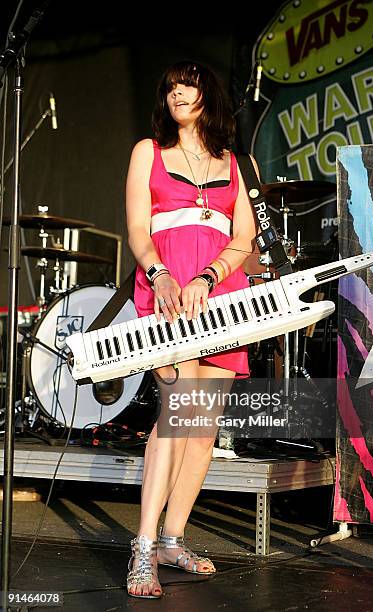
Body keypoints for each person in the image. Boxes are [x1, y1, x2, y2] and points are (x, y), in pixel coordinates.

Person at [125, 60, 258, 599]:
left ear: (208, 96)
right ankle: (141, 547)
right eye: (170, 87)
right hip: (167, 293)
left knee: (203, 427)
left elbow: (244, 238)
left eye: (188, 85)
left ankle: (172, 539)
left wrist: (210, 275)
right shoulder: (147, 152)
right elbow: (138, 227)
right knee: (176, 415)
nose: (176, 93)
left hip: (219, 297)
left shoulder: (233, 164)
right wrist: (160, 275)